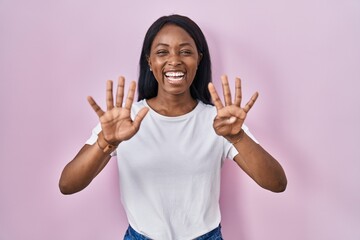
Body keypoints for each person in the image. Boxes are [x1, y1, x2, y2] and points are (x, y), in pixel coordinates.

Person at [59, 14, 287, 240]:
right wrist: (107, 142)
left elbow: (277, 183)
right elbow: (68, 184)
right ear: (149, 61)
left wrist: (237, 138)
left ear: (199, 59)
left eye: (185, 51)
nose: (174, 60)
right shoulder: (124, 121)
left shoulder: (221, 122)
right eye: (162, 52)